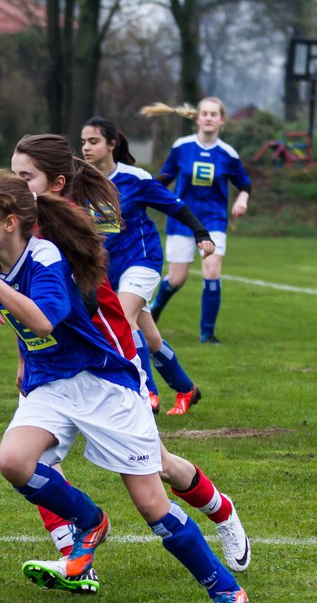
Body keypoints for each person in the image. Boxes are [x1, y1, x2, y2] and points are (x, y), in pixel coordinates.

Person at [0, 170, 249, 603]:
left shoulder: (47, 258)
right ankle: (91, 522)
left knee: (152, 505)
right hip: (50, 384)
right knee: (14, 461)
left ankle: (226, 590)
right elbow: (22, 322)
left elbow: (44, 321)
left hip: (102, 385)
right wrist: (3, 311)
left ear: (10, 222)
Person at [7, 133, 251, 572]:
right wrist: (24, 356)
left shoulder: (68, 228)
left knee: (159, 468)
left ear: (56, 183)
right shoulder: (22, 226)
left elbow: (51, 308)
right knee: (30, 463)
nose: (16, 185)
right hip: (54, 370)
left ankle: (221, 510)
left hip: (106, 366)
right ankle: (75, 558)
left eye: (26, 177)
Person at [79, 116, 214, 416]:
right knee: (150, 338)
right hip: (105, 269)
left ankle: (146, 392)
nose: (86, 147)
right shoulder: (80, 182)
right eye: (84, 142)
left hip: (142, 261)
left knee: (124, 320)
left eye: (94, 141)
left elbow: (174, 205)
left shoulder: (135, 178)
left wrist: (201, 233)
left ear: (112, 144)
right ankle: (186, 389)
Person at [146, 98, 252, 344]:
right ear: (197, 118)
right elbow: (164, 177)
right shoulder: (182, 147)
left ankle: (207, 334)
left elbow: (244, 183)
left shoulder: (227, 153)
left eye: (214, 114)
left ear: (222, 120)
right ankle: (153, 312)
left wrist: (242, 199)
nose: (208, 118)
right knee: (176, 279)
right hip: (182, 219)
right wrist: (143, 190)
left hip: (213, 220)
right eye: (204, 113)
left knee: (212, 271)